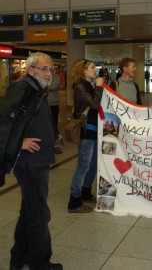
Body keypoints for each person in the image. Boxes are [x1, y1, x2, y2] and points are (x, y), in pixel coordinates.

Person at [0, 52, 63, 269]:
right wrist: (19, 143)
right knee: (39, 215)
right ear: (31, 70)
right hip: (30, 163)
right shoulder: (22, 89)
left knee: (29, 212)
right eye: (44, 69)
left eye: (51, 69)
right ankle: (40, 264)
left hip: (38, 161)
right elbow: (2, 121)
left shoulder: (37, 90)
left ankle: (19, 258)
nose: (48, 73)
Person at [68, 59, 104, 213]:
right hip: (86, 129)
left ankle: (85, 192)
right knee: (83, 165)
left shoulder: (89, 85)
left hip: (95, 128)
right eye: (91, 68)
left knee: (94, 164)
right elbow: (94, 104)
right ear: (83, 71)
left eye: (94, 68)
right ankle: (74, 201)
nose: (94, 70)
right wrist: (99, 87)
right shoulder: (80, 86)